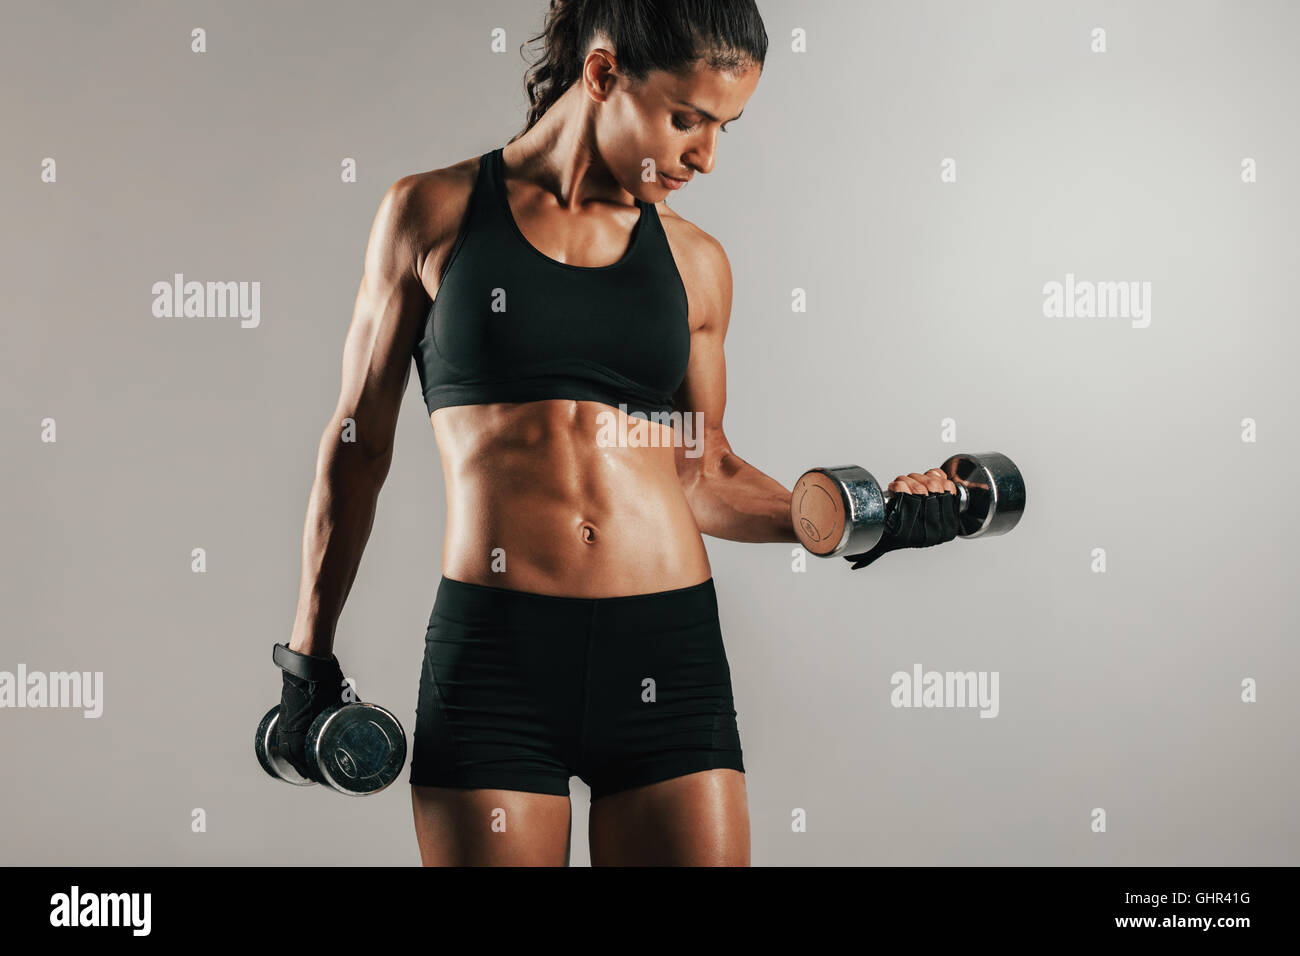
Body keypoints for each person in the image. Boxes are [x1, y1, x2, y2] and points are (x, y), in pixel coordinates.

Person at [273, 0, 958, 866]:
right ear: (602, 74)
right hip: (496, 662)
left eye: (724, 128)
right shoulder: (434, 215)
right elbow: (357, 451)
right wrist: (307, 658)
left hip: (667, 656)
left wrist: (866, 514)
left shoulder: (696, 263)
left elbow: (703, 473)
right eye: (687, 119)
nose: (706, 156)